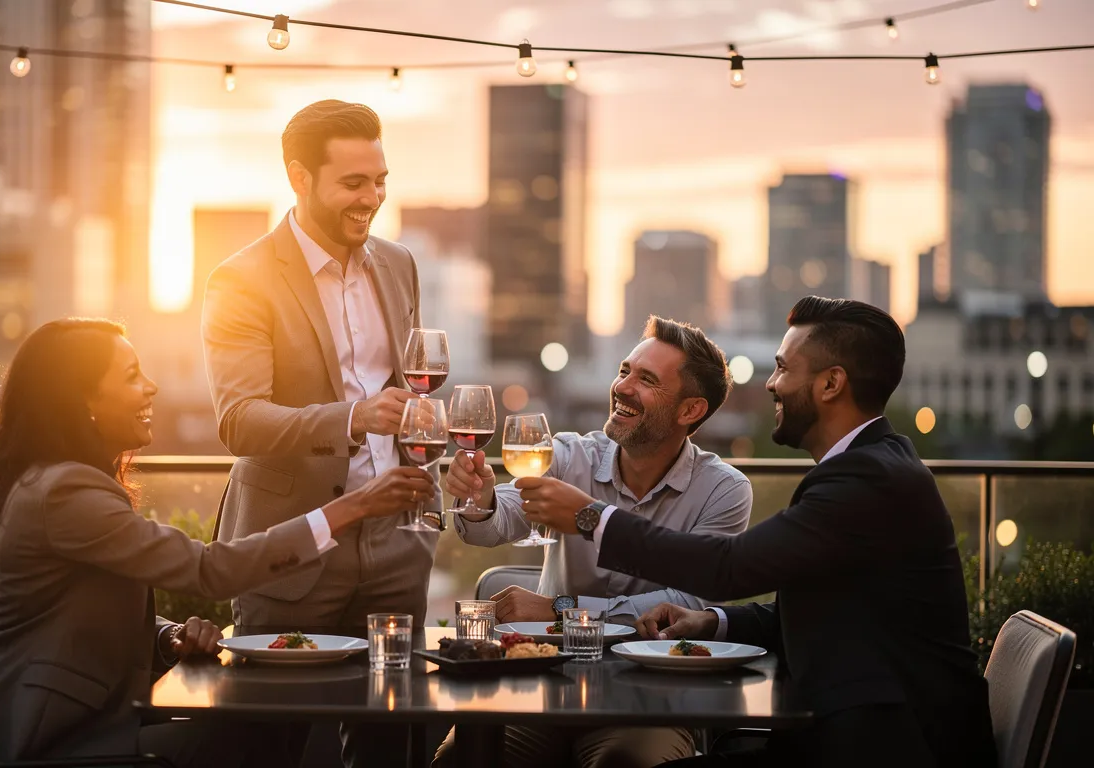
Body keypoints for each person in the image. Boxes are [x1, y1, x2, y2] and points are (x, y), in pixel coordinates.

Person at [0, 319, 434, 768]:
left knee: (253, 730)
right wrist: (352, 507)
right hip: (35, 739)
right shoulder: (65, 493)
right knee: (250, 737)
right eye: (132, 375)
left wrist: (165, 636)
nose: (151, 386)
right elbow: (209, 570)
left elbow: (77, 610)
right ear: (84, 401)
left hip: (69, 722)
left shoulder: (61, 484)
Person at [528, 297, 998, 768]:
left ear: (831, 384)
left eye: (782, 369)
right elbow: (833, 608)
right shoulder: (873, 466)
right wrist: (715, 623)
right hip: (848, 730)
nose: (771, 385)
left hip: (886, 745)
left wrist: (592, 517)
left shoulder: (868, 479)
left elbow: (729, 566)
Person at [200, 99, 436, 767]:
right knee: (267, 742)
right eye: (354, 184)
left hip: (395, 547)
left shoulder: (398, 265)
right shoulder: (241, 279)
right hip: (292, 546)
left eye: (381, 179)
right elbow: (239, 419)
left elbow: (412, 386)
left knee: (393, 746)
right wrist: (353, 418)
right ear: (300, 179)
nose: (374, 198)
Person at [434, 317, 753, 768]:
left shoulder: (723, 490)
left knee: (626, 762)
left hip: (651, 700)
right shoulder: (569, 454)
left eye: (646, 380)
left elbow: (687, 602)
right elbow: (494, 523)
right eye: (624, 371)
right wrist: (479, 495)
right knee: (461, 758)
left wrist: (560, 611)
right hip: (544, 685)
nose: (622, 387)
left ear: (690, 411)